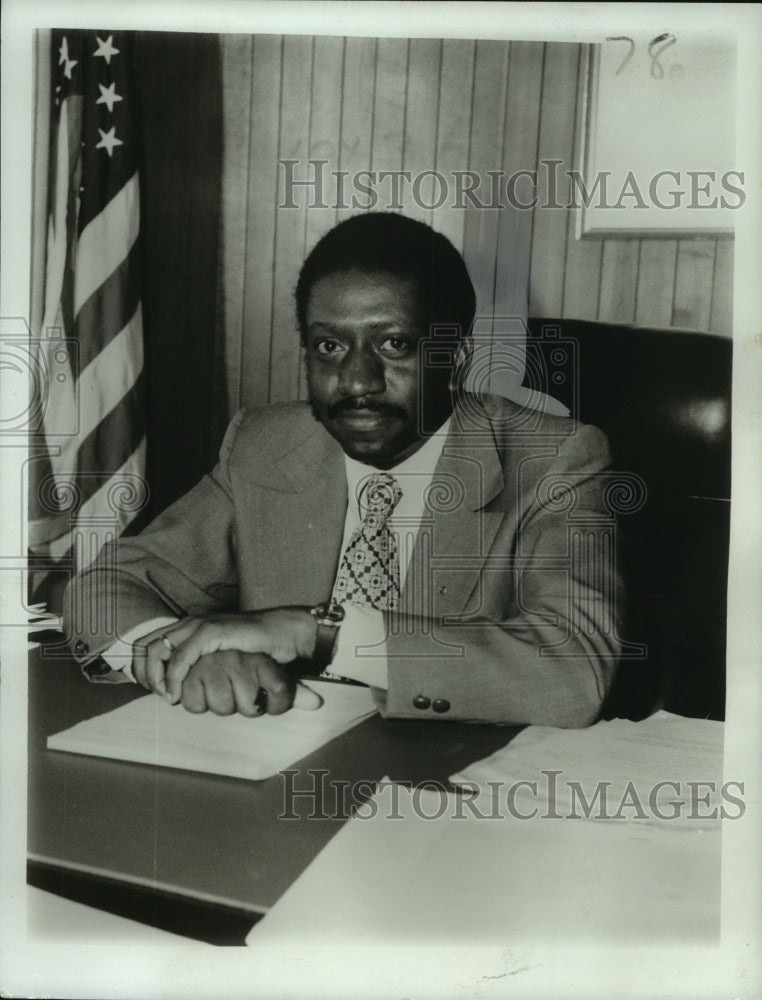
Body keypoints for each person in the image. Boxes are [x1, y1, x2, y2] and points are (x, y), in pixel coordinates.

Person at [64, 212, 621, 726]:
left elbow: (576, 672)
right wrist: (178, 652)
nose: (356, 381)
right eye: (329, 345)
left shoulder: (555, 461)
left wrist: (318, 632)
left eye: (394, 344)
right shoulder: (265, 444)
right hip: (277, 766)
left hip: (448, 789)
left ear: (455, 357)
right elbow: (106, 583)